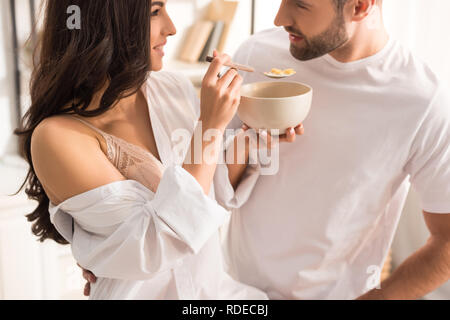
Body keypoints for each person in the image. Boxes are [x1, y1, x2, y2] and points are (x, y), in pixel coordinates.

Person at [16, 0, 304, 300]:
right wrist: (209, 128)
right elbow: (155, 247)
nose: (172, 28)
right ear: (103, 22)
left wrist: (253, 139)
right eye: (155, 12)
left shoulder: (171, 89)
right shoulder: (57, 137)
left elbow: (206, 195)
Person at [211, 0, 450, 299]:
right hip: (233, 291)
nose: (279, 17)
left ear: (361, 6)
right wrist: (248, 142)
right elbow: (213, 190)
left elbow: (447, 241)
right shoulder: (256, 55)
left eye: (300, 4)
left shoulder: (422, 101)